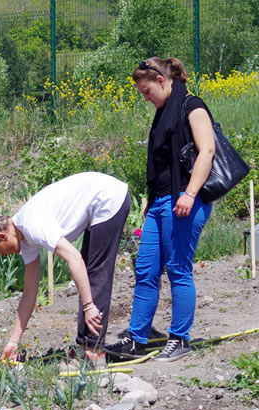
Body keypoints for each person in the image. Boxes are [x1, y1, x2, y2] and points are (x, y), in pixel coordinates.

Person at [104, 57, 215, 362]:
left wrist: (190, 194)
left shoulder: (192, 105)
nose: (146, 98)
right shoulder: (163, 112)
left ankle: (180, 338)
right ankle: (136, 338)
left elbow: (207, 150)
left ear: (162, 81)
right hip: (161, 203)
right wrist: (151, 203)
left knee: (179, 269)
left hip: (184, 201)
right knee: (146, 270)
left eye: (147, 91)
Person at [0, 172, 130, 362]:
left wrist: (89, 306)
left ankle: (93, 352)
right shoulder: (25, 240)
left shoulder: (33, 225)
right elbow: (30, 294)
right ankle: (85, 346)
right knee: (87, 275)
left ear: (2, 236)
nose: (4, 256)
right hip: (96, 201)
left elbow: (74, 258)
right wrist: (13, 341)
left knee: (95, 273)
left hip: (108, 197)